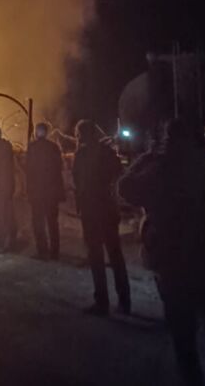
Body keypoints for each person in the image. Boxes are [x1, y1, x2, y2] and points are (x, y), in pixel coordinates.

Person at [119, 119, 205, 386]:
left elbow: (124, 187)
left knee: (185, 344)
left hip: (175, 270)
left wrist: (148, 155)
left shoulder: (160, 172)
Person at [72, 119, 131, 316]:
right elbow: (119, 174)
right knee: (115, 255)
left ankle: (102, 302)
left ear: (82, 135)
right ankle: (125, 301)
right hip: (107, 208)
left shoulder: (81, 154)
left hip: (91, 210)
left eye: (79, 134)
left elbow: (77, 181)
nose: (77, 138)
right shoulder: (108, 152)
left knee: (96, 256)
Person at [25, 122, 65, 260]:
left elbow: (28, 170)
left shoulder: (32, 147)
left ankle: (42, 251)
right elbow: (59, 168)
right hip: (52, 193)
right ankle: (55, 252)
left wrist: (28, 190)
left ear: (37, 132)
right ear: (46, 132)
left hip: (37, 193)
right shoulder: (54, 148)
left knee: (38, 222)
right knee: (53, 223)